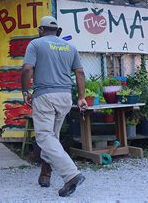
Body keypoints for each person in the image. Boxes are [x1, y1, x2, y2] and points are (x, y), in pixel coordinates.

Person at [21, 15, 87, 197]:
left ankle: (71, 174)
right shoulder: (70, 47)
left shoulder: (36, 44)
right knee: (53, 138)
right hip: (65, 96)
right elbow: (80, 72)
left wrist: (25, 91)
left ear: (41, 30)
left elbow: (27, 69)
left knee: (44, 137)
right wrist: (81, 97)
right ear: (57, 31)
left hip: (45, 96)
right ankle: (46, 174)